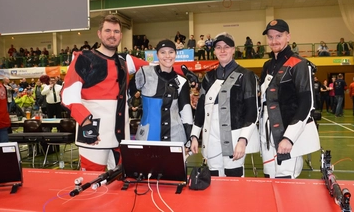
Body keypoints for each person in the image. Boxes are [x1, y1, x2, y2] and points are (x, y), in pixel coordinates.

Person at [61, 15, 198, 172]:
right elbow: (68, 95)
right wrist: (86, 122)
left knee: (120, 182)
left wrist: (185, 70)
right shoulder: (83, 58)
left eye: (116, 31)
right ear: (99, 33)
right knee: (92, 181)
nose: (112, 35)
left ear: (121, 35)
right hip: (93, 133)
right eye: (108, 30)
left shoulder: (125, 60)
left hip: (120, 136)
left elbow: (158, 66)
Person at [190, 32, 259, 177]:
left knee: (234, 183)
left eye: (226, 47)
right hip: (211, 138)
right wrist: (195, 135)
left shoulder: (246, 75)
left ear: (233, 49)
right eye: (218, 47)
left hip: (235, 138)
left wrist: (243, 140)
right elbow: (201, 110)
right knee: (214, 182)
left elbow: (252, 112)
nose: (222, 50)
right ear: (214, 51)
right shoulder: (208, 77)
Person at [259, 19, 320, 179]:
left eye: (278, 36)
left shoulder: (299, 64)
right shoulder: (267, 66)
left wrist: (289, 138)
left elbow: (307, 104)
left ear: (288, 37)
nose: (274, 41)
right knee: (269, 182)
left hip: (287, 137)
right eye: (270, 37)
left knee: (285, 184)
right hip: (266, 137)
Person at [133, 39, 193, 143]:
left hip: (175, 138)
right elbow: (128, 93)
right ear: (157, 54)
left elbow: (186, 112)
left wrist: (189, 140)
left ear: (175, 54)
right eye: (163, 52)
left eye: (171, 52)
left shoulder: (182, 81)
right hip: (147, 137)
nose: (167, 56)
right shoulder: (144, 73)